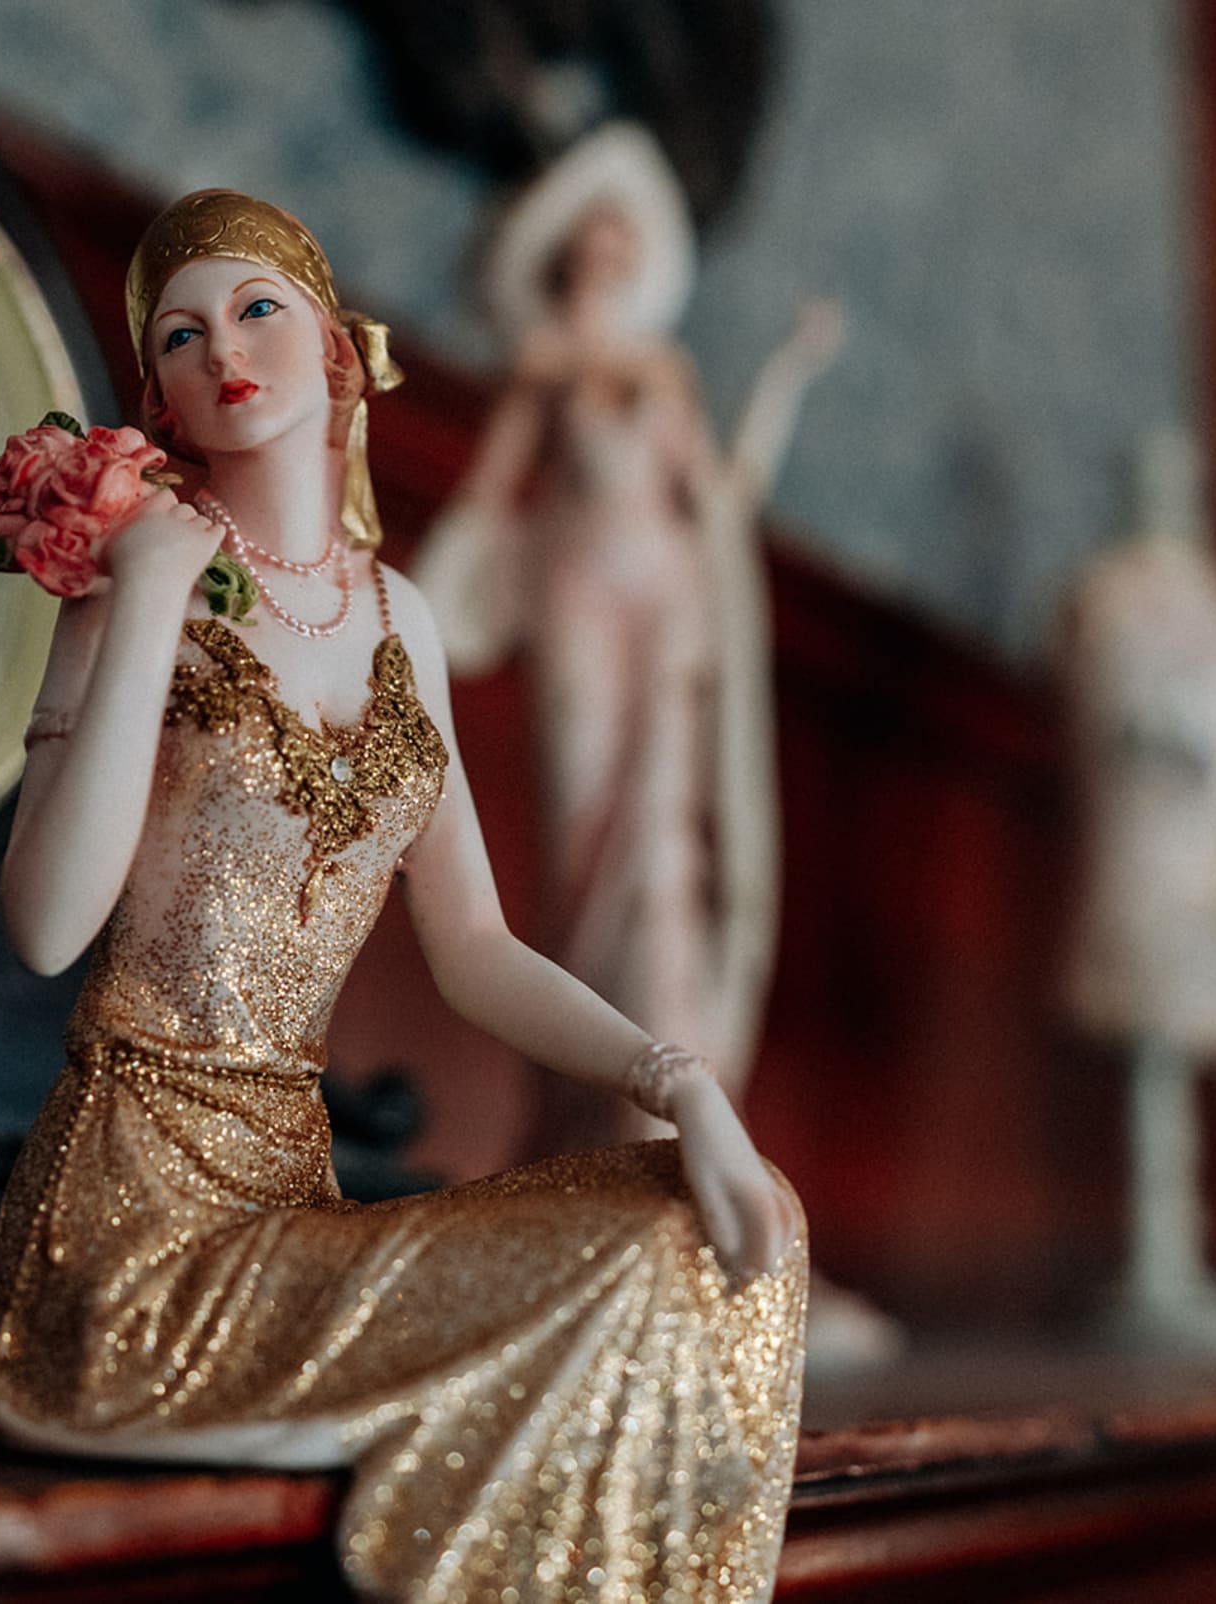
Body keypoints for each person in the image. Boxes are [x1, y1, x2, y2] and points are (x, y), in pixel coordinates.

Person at [0, 188, 808, 1604]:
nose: (221, 350)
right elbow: (47, 928)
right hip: (131, 1237)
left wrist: (681, 1084)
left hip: (297, 1198)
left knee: (715, 1233)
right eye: (178, 336)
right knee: (638, 1273)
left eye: (257, 311)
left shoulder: (400, 619)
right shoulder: (133, 595)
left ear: (340, 351)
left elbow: (476, 948)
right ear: (158, 399)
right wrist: (145, 607)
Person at [411, 125, 841, 1147]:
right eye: (589, 242)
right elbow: (489, 486)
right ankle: (584, 1114)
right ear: (563, 255)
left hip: (670, 607)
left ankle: (667, 1102)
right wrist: (423, 583)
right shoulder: (547, 365)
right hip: (574, 606)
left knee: (662, 838)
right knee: (582, 829)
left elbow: (723, 490)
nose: (606, 256)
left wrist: (788, 375)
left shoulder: (664, 370)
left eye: (619, 244)